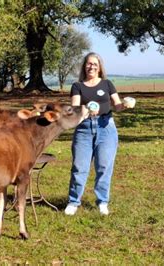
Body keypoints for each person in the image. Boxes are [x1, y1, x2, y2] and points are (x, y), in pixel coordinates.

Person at [64, 52, 132, 216]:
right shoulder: (77, 86)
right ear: (84, 66)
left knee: (104, 167)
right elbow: (74, 109)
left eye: (95, 64)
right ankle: (74, 202)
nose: (91, 66)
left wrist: (125, 104)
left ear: (100, 67)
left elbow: (116, 106)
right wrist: (84, 111)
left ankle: (102, 202)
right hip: (84, 129)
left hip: (106, 128)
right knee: (79, 167)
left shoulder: (107, 84)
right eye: (88, 64)